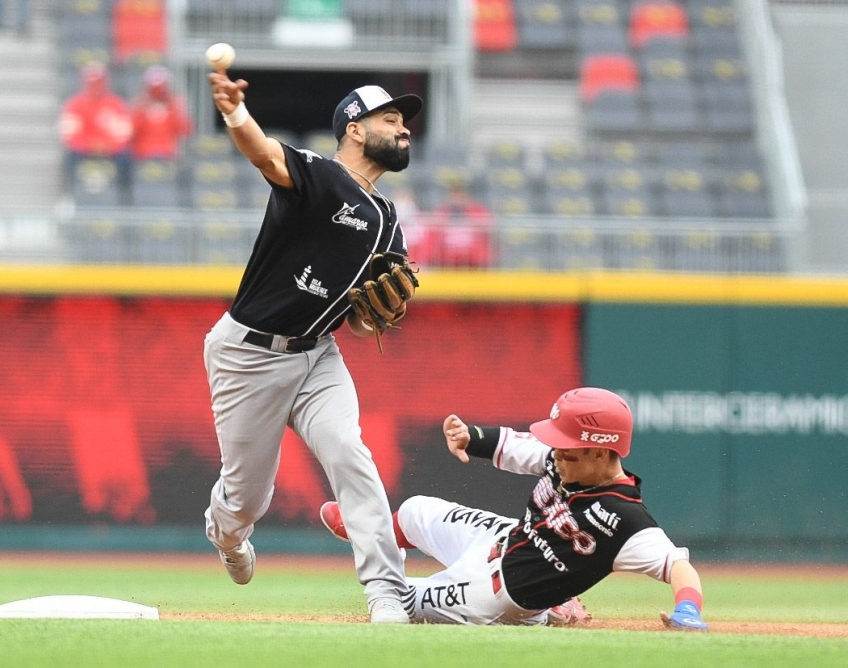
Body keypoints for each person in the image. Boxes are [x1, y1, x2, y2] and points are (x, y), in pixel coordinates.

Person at [202, 65, 423, 624]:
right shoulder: (319, 176)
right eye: (390, 119)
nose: (404, 130)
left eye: (405, 123)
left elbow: (362, 325)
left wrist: (379, 318)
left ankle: (386, 592)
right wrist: (234, 111)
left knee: (350, 453)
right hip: (248, 354)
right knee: (248, 498)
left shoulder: (388, 219)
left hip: (318, 354)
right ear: (354, 128)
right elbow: (265, 156)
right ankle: (227, 535)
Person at [320, 387, 710, 629]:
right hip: (504, 539)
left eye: (566, 445)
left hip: (498, 595)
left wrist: (687, 610)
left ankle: (550, 607)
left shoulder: (626, 521)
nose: (556, 451)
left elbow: (678, 565)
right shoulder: (564, 460)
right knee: (415, 510)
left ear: (598, 451)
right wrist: (469, 437)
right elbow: (513, 446)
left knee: (400, 599)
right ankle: (366, 531)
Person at [58, 61, 133, 187]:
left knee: (126, 158)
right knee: (69, 158)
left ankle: (124, 195)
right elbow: (70, 134)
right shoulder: (74, 104)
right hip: (83, 150)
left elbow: (123, 133)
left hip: (110, 150)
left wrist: (106, 147)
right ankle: (71, 192)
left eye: (99, 82)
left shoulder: (116, 104)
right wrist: (90, 146)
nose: (96, 86)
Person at [129, 65, 191, 161]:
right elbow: (132, 131)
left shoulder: (174, 104)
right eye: (154, 89)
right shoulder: (140, 105)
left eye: (160, 88)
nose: (157, 93)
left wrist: (176, 110)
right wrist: (141, 109)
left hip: (168, 153)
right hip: (143, 153)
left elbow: (185, 130)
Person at [428, 179, 494, 268]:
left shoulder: (477, 210)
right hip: (447, 253)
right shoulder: (443, 211)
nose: (457, 199)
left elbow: (487, 225)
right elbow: (434, 227)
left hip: (472, 253)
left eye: (460, 196)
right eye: (454, 196)